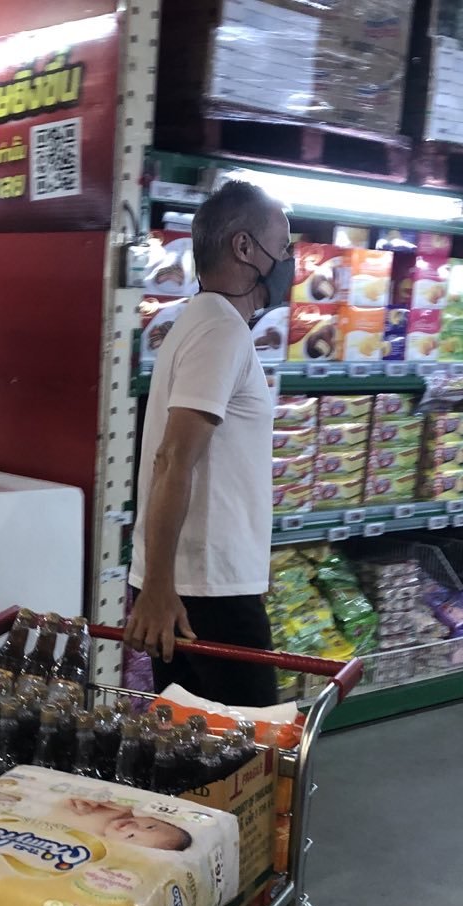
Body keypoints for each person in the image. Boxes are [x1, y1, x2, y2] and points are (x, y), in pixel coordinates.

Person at [126, 179, 291, 707]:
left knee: (189, 744)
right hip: (208, 590)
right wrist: (158, 587)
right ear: (245, 247)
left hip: (193, 584)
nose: (288, 262)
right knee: (253, 747)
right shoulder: (221, 330)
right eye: (282, 246)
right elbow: (174, 458)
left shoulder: (199, 322)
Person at [66, 795, 192, 852]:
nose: (133, 828)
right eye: (150, 827)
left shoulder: (95, 841)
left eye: (131, 836)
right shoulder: (122, 808)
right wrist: (92, 798)